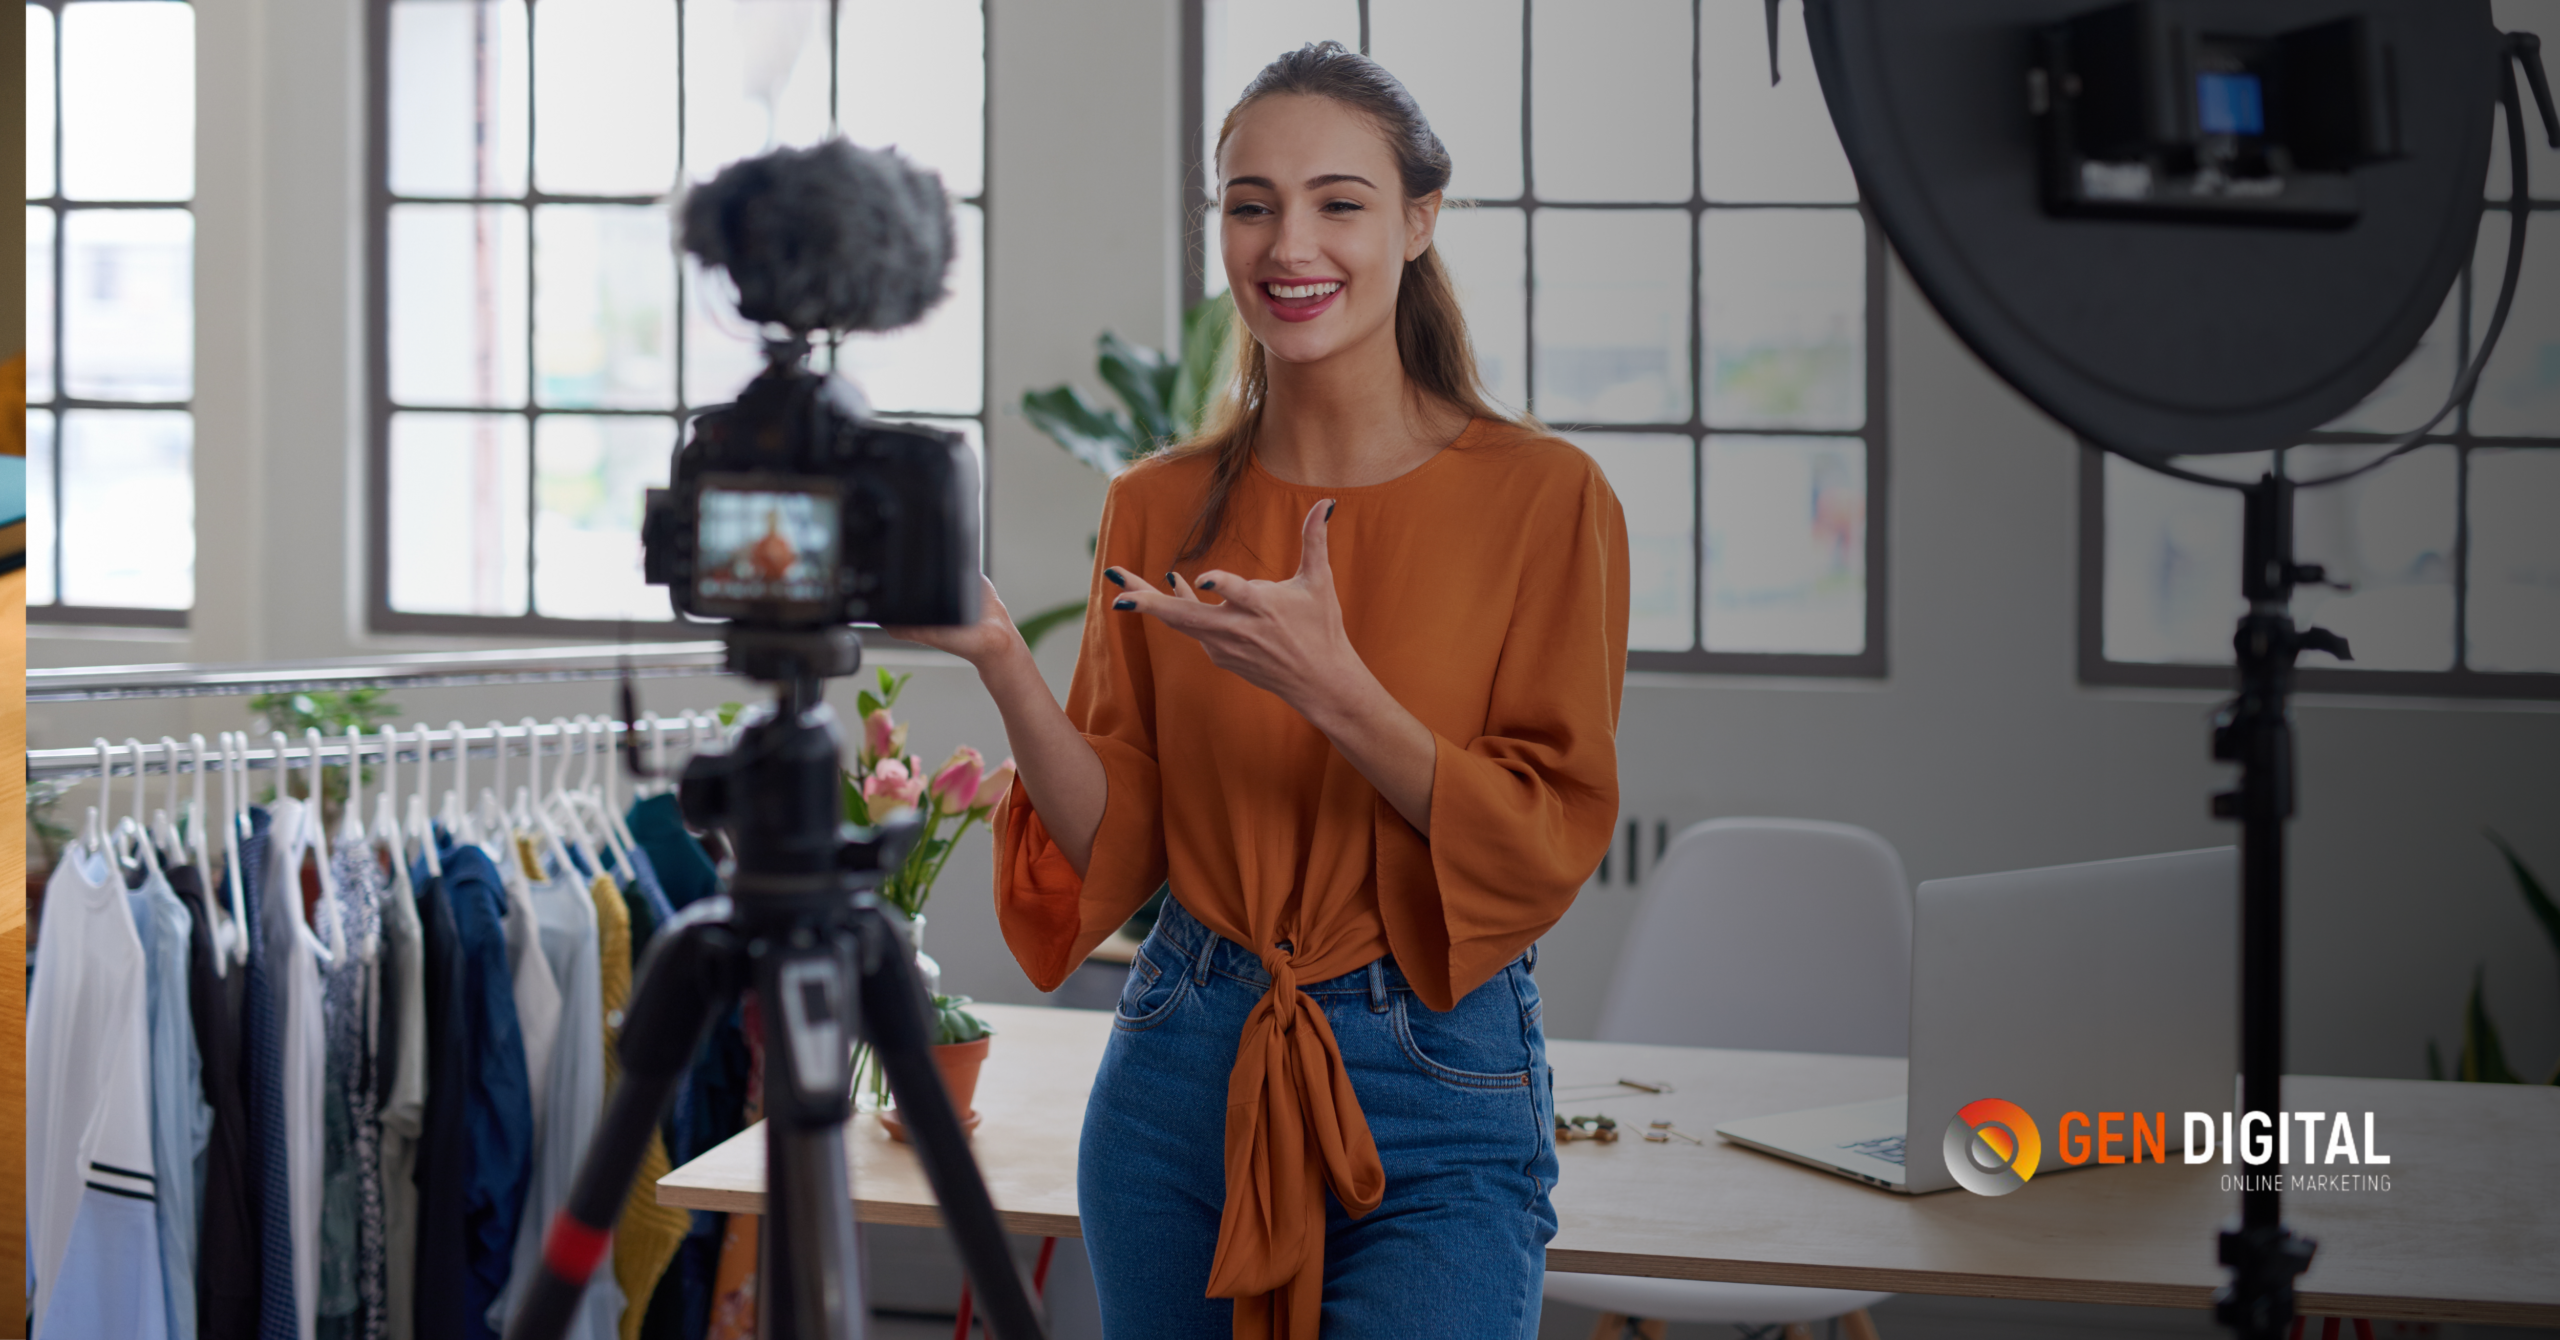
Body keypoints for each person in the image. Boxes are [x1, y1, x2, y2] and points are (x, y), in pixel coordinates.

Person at [893, 41, 1630, 1340]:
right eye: (1251, 204)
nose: (1291, 245)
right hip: (1182, 1061)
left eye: (1340, 202)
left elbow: (1544, 836)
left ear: (1418, 220)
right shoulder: (1158, 503)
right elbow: (1119, 842)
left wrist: (1338, 692)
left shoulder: (1544, 499)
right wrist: (1003, 658)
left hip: (1438, 1071)